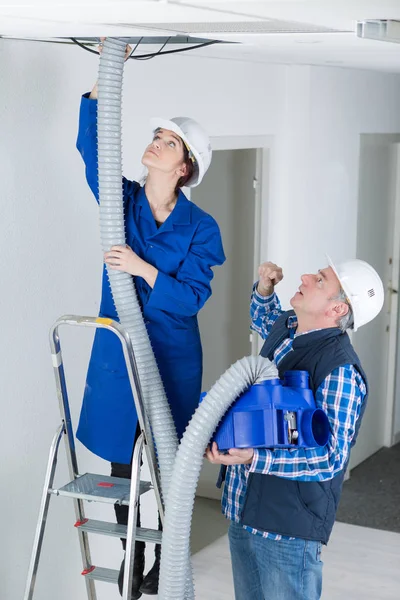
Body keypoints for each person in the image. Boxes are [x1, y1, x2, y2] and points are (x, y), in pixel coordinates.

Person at [76, 41, 225, 599]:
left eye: (167, 142)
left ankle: (167, 553)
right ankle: (132, 550)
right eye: (156, 136)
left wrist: (141, 267)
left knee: (167, 462)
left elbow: (189, 299)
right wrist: (97, 91)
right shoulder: (124, 201)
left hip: (172, 359)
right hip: (121, 356)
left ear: (184, 167)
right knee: (122, 463)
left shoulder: (201, 227)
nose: (154, 143)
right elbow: (93, 155)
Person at [207, 256, 384, 600]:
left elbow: (329, 459)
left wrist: (254, 459)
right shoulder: (290, 326)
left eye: (319, 280)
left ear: (336, 309)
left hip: (286, 528)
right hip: (244, 508)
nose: (305, 276)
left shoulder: (340, 371)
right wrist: (264, 289)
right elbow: (264, 319)